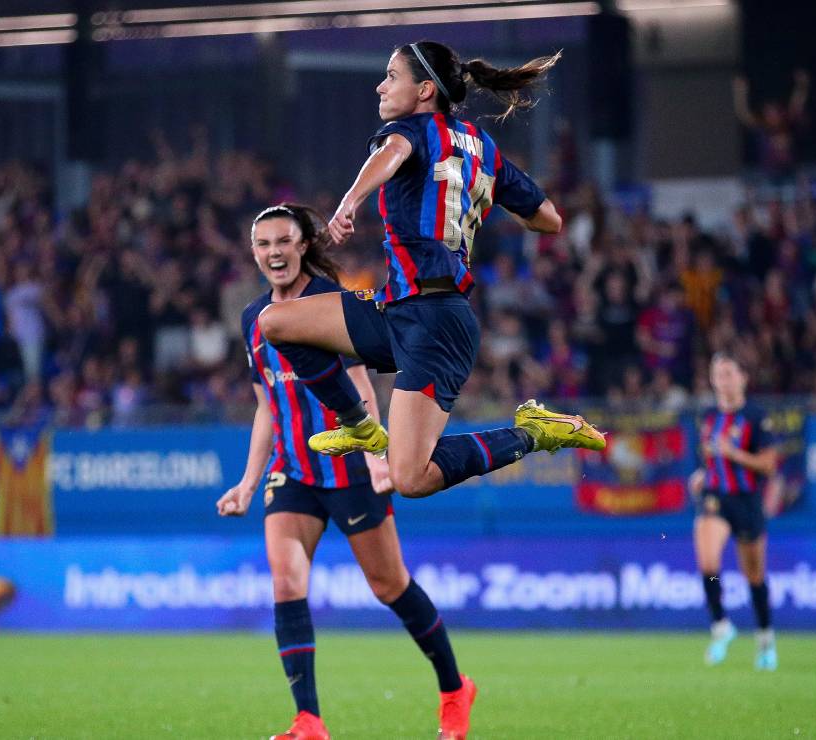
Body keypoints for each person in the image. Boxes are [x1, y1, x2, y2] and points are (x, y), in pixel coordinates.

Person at [256, 40, 605, 510]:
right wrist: (490, 200)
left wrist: (349, 201)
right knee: (275, 322)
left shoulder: (409, 130)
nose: (381, 86)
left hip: (435, 321)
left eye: (391, 76)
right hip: (400, 308)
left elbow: (394, 152)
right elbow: (549, 219)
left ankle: (533, 433)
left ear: (424, 90)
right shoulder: (482, 147)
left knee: (410, 477)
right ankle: (358, 425)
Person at [217, 204, 474, 740]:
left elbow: (360, 384)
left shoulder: (325, 303)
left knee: (389, 585)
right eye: (263, 244)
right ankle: (308, 721)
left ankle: (454, 688)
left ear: (304, 244)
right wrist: (247, 481)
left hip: (348, 469)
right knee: (287, 582)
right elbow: (268, 407)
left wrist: (379, 456)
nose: (274, 253)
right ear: (254, 253)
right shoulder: (253, 319)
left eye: (283, 241)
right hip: (293, 472)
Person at [688, 353, 780, 671]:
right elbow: (710, 459)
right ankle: (721, 625)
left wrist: (734, 454)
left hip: (746, 501)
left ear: (742, 378)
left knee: (754, 576)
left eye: (729, 374)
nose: (723, 381)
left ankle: (765, 638)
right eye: (718, 374)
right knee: (708, 562)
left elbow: (768, 464)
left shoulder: (755, 416)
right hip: (716, 498)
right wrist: (702, 474)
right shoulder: (709, 417)